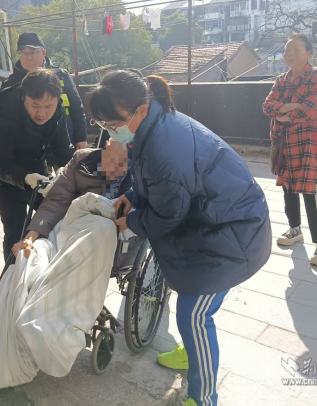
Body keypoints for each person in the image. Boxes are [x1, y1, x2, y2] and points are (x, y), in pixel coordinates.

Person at [85, 70, 272, 406]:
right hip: (211, 223)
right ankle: (192, 351)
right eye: (103, 124)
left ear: (140, 109)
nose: (110, 131)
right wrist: (133, 195)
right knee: (191, 309)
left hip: (232, 235)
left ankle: (204, 398)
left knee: (194, 315)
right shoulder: (153, 124)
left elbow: (167, 214)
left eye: (113, 124)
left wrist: (130, 221)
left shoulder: (164, 145)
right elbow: (160, 185)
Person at [0, 69, 73, 262]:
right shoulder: (3, 115)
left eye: (48, 106)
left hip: (36, 169)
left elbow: (62, 150)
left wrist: (67, 177)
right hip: (3, 177)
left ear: (57, 100)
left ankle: (41, 267)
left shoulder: (58, 112)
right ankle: (11, 276)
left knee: (53, 215)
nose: (42, 113)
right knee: (16, 228)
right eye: (35, 105)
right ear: (24, 97)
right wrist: (26, 178)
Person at [263, 33, 317, 266]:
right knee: (288, 188)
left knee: (311, 192)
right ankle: (295, 229)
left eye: (295, 50)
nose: (289, 54)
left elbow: (311, 109)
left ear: (309, 53)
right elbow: (267, 106)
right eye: (286, 50)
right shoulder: (281, 80)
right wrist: (289, 107)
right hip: (284, 143)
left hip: (309, 144)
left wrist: (283, 112)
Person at [13, 140, 130, 258]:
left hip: (109, 237)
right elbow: (57, 200)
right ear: (106, 145)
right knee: (32, 253)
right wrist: (30, 237)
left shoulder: (136, 174)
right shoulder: (82, 159)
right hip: (72, 227)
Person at [1, 32, 88, 149]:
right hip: (27, 147)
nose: (28, 57)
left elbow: (76, 108)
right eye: (24, 52)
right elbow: (3, 119)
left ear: (43, 53)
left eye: (33, 52)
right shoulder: (10, 84)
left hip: (64, 141)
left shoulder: (62, 76)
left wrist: (81, 138)